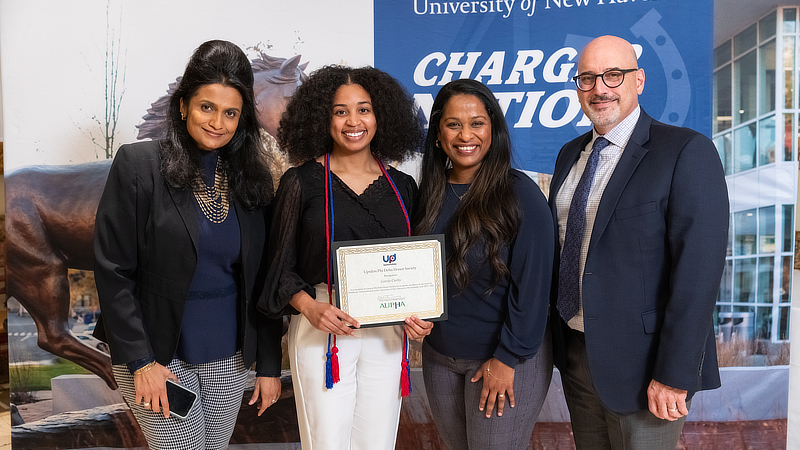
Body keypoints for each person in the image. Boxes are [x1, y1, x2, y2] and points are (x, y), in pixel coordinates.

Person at [94, 40, 283, 450]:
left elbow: (264, 277)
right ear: (183, 106)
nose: (218, 122)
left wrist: (269, 364)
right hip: (157, 352)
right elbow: (112, 270)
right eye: (207, 107)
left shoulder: (253, 179)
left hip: (227, 356)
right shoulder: (138, 165)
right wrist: (141, 362)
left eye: (230, 112)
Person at [549, 35, 729, 449]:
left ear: (639, 80)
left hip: (648, 369)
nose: (600, 88)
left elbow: (698, 275)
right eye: (587, 78)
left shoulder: (685, 150)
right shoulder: (568, 156)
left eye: (613, 75)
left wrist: (674, 373)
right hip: (576, 356)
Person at [259, 65, 431, 450]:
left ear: (380, 115)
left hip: (388, 332)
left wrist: (421, 315)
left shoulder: (403, 187)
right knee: (327, 443)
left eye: (364, 109)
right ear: (323, 117)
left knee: (377, 442)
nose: (353, 121)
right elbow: (277, 268)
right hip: (324, 327)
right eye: (340, 111)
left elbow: (416, 267)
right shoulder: (300, 182)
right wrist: (310, 307)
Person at [413, 78, 554, 450]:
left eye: (477, 122)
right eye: (453, 124)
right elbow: (417, 274)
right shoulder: (426, 193)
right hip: (440, 358)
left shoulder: (521, 194)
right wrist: (411, 314)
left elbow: (534, 290)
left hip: (506, 359)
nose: (465, 135)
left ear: (493, 128)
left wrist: (506, 360)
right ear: (439, 133)